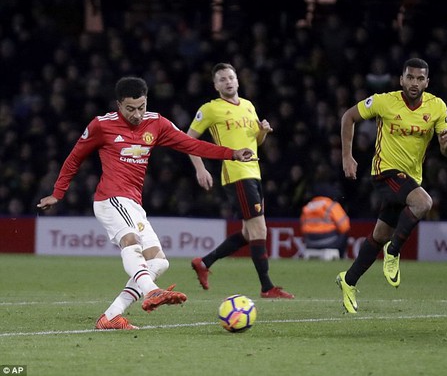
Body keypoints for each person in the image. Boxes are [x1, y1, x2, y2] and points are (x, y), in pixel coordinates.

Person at [37, 77, 255, 330]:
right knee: (131, 241)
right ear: (119, 104)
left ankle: (111, 316)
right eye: (130, 109)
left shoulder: (156, 123)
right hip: (110, 199)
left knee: (159, 262)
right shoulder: (101, 125)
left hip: (133, 203)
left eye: (142, 107)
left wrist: (231, 153)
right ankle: (151, 291)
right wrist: (58, 193)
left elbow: (190, 144)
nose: (137, 114)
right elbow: (75, 158)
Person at [336, 58, 447, 313]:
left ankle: (348, 280)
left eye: (420, 78)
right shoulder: (384, 101)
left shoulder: (437, 107)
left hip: (411, 178)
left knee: (379, 235)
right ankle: (394, 252)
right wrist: (347, 155)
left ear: (427, 82)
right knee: (424, 203)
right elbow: (349, 117)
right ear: (401, 79)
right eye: (410, 77)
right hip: (384, 172)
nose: (414, 83)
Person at [188, 63, 294, 299]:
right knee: (259, 229)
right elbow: (188, 140)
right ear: (216, 85)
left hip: (254, 172)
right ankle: (267, 287)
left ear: (237, 81)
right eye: (222, 79)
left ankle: (204, 263)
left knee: (249, 233)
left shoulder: (248, 106)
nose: (228, 82)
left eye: (231, 77)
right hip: (236, 174)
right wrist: (200, 168)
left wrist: (263, 132)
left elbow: (256, 143)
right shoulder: (210, 109)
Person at [300, 184, 350, 259]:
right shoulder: (331, 205)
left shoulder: (307, 207)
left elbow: (302, 228)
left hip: (310, 242)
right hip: (329, 242)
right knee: (344, 234)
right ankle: (341, 257)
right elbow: (344, 226)